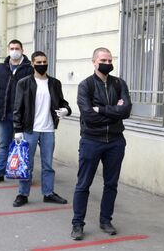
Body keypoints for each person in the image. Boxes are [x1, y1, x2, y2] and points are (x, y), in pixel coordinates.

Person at [70, 47, 132, 240]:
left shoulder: (119, 84)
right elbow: (88, 116)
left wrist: (102, 109)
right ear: (94, 62)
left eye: (109, 59)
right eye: (103, 60)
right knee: (83, 184)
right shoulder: (85, 86)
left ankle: (106, 220)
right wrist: (114, 112)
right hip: (91, 140)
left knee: (111, 184)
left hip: (115, 141)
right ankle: (77, 224)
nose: (107, 63)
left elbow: (127, 111)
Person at [12, 51, 71, 207]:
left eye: (44, 61)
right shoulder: (24, 83)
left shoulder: (54, 83)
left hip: (48, 129)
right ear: (32, 64)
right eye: (38, 62)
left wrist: (66, 110)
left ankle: (48, 193)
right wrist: (17, 130)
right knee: (27, 164)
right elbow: (17, 108)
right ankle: (23, 194)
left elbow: (62, 102)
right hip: (29, 129)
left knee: (48, 164)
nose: (41, 64)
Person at [0, 39, 33, 184]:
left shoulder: (29, 69)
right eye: (12, 48)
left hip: (22, 116)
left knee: (23, 146)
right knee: (4, 144)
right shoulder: (0, 68)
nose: (14, 51)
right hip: (3, 114)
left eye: (17, 48)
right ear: (8, 50)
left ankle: (23, 173)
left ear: (22, 50)